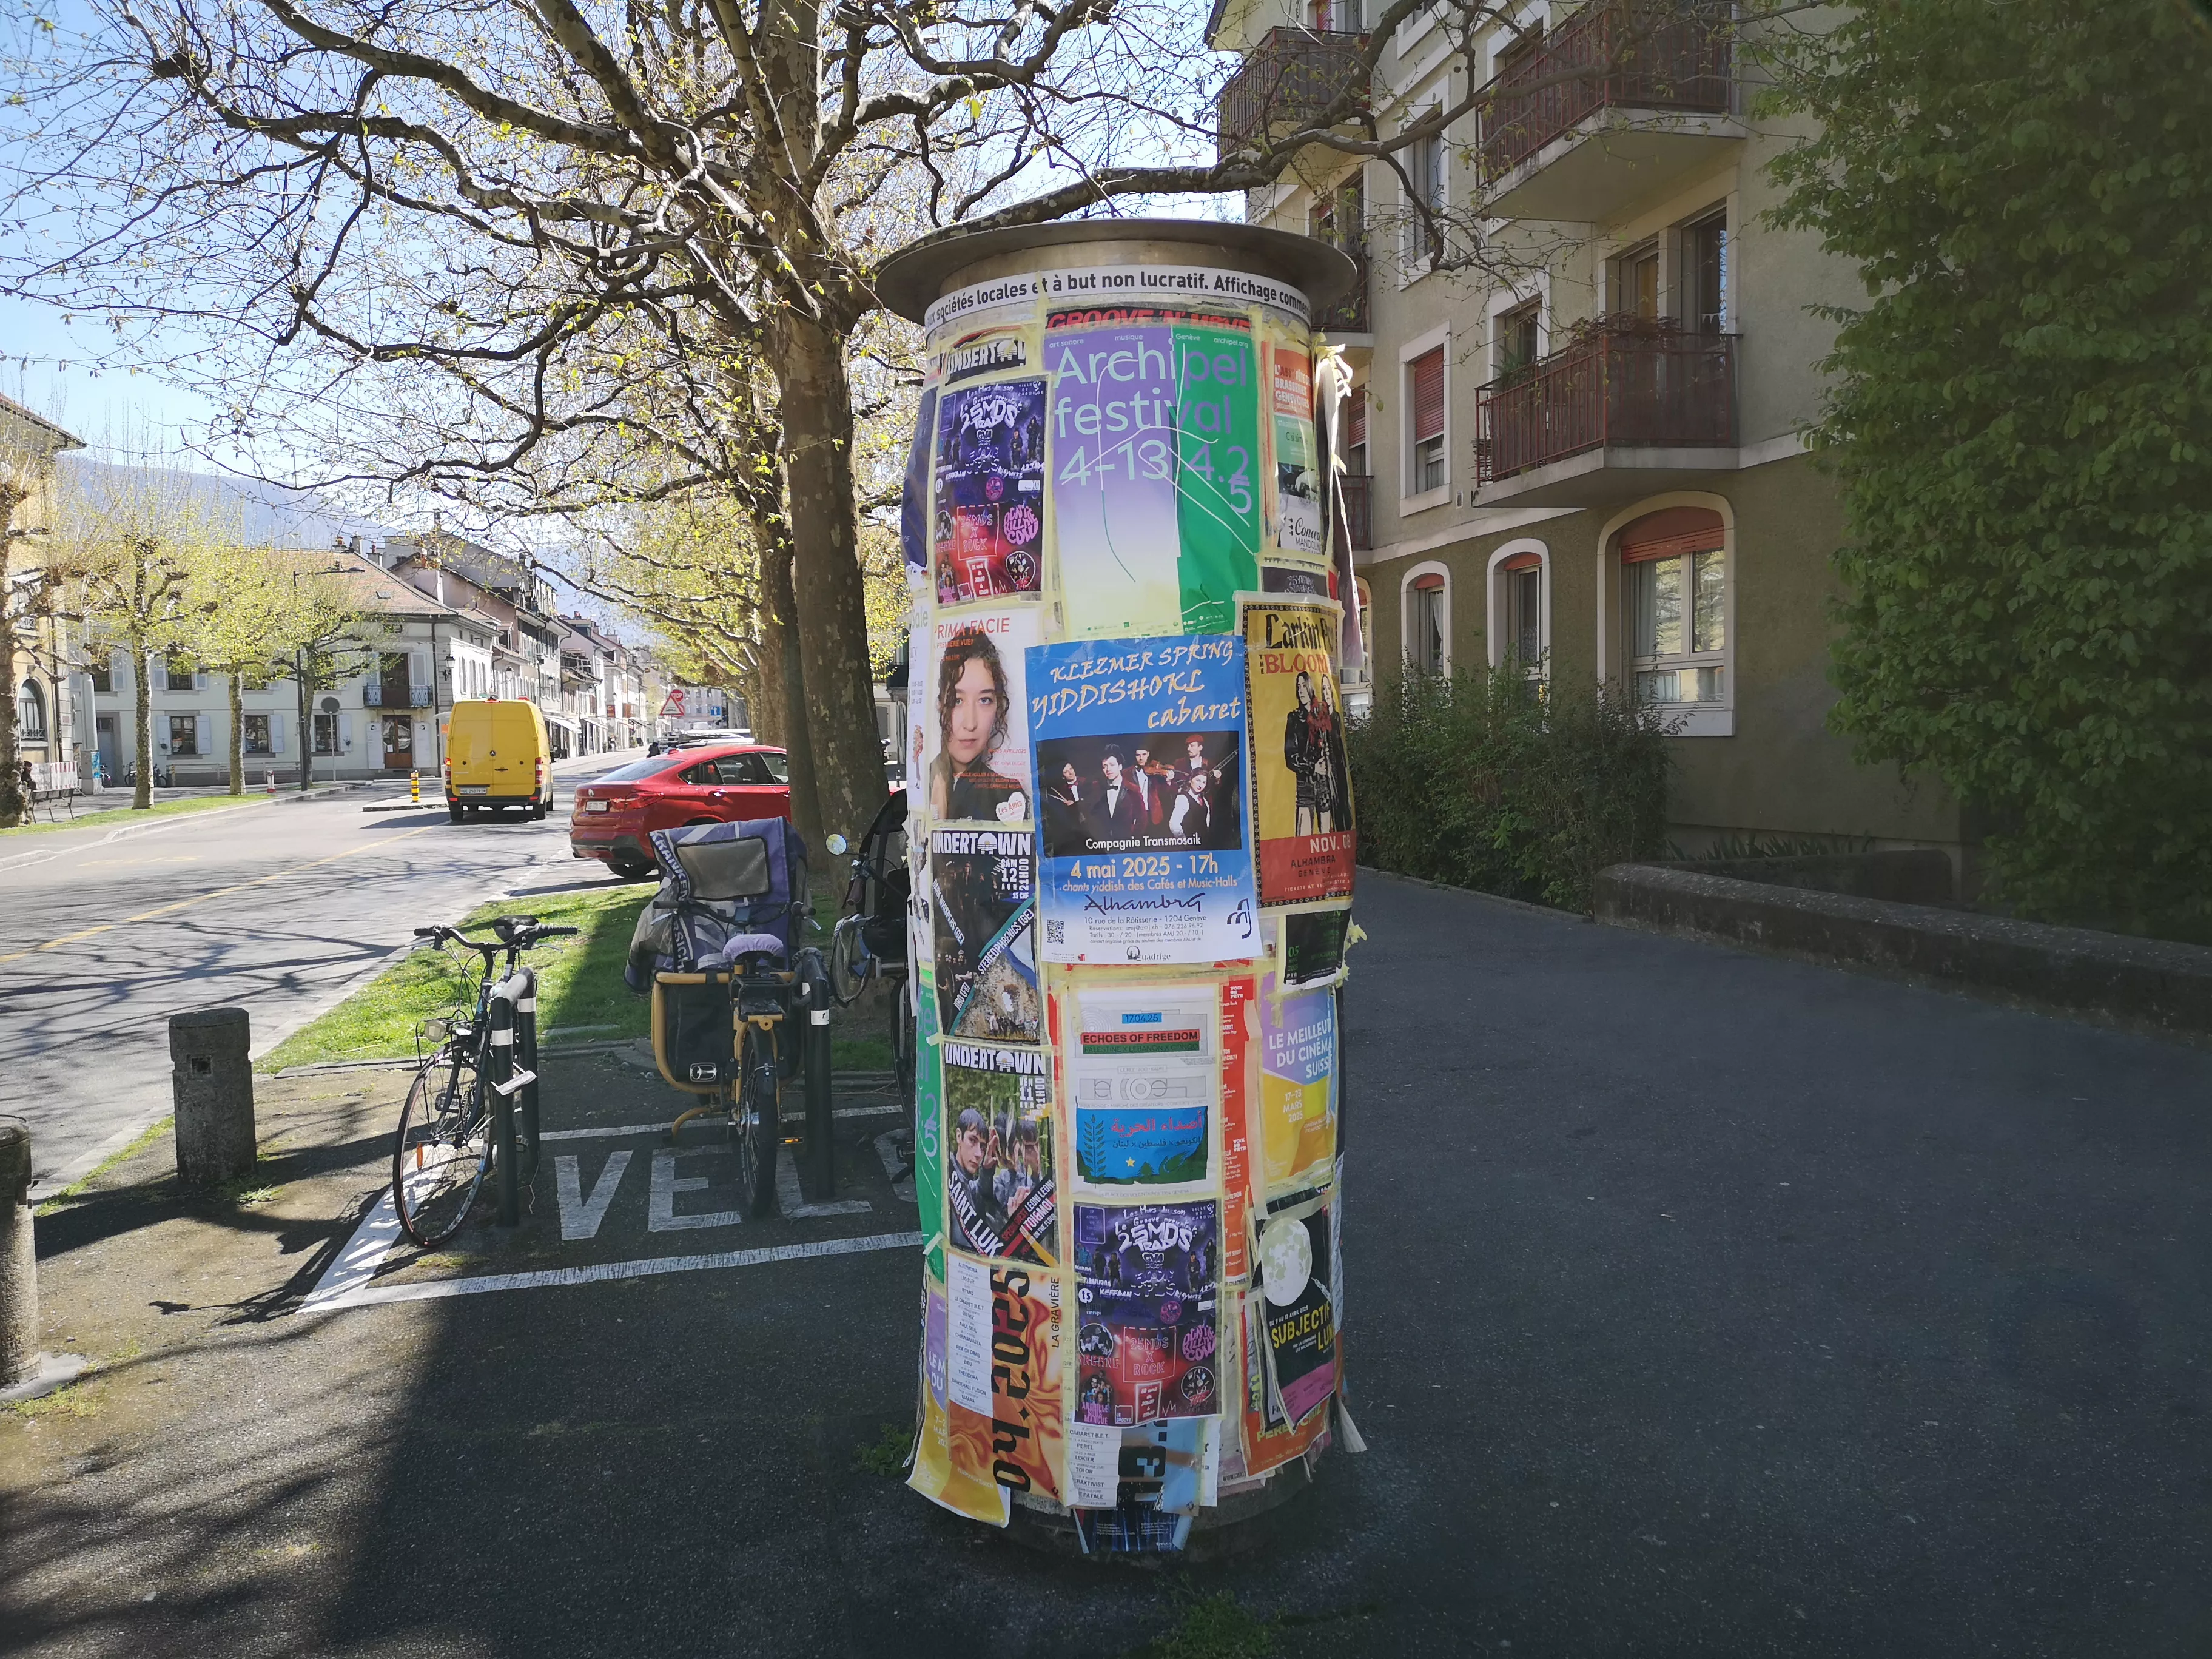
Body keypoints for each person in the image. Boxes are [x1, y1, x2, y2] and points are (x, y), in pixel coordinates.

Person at [929, 625, 1027, 824]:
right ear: (940, 704)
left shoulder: (1007, 796)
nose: (971, 724)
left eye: (984, 700)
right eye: (957, 700)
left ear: (997, 707)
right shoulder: (919, 783)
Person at [1282, 671, 1320, 836]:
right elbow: (1290, 758)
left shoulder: (1322, 716)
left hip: (1326, 784)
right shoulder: (1294, 719)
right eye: (1299, 687)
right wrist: (1313, 768)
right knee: (1304, 837)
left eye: (1305, 686)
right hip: (1306, 784)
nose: (1301, 691)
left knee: (1328, 833)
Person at [1085, 745, 1141, 842]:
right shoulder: (1097, 788)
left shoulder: (1133, 789)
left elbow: (1141, 819)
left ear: (1120, 766)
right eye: (1105, 766)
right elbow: (1092, 816)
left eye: (1112, 765)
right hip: (1103, 846)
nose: (1108, 769)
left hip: (1127, 844)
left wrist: (1133, 840)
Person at [1168, 766, 1216, 840]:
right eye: (1198, 781)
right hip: (1191, 844)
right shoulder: (1183, 798)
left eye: (1204, 782)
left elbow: (1207, 820)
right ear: (1190, 780)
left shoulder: (1203, 798)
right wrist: (1184, 841)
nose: (1200, 785)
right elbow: (1174, 825)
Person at [1128, 743, 1167, 831]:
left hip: (1153, 813)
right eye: (1138, 755)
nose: (1141, 758)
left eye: (1144, 754)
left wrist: (1168, 780)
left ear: (1148, 754)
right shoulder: (1128, 772)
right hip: (1136, 814)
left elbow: (1164, 790)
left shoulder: (1155, 771)